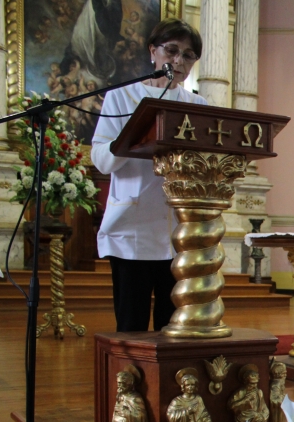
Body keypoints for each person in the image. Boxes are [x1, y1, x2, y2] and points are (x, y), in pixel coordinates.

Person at [92, 18, 206, 332]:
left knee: (174, 327)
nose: (179, 61)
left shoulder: (198, 105)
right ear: (153, 51)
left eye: (188, 55)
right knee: (132, 327)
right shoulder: (121, 97)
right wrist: (135, 136)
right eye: (172, 51)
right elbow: (101, 160)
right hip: (132, 229)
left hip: (181, 233)